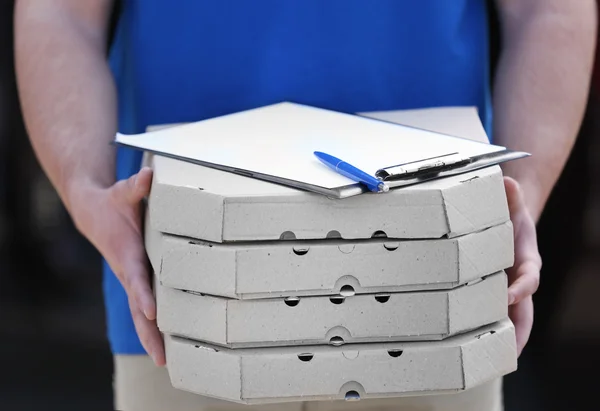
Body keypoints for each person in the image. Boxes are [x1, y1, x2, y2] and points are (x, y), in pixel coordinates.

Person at [14, 1, 596, 410]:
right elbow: (60, 11)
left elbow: (549, 9)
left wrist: (519, 197)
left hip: (435, 292)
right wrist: (86, 191)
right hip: (187, 299)